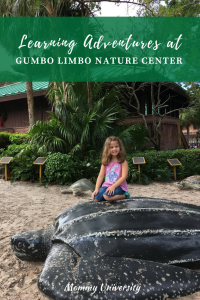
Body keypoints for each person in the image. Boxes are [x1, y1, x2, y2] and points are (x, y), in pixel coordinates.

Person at [92, 136, 130, 202]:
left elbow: (124, 176)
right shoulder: (105, 161)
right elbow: (100, 176)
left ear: (120, 147)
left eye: (116, 146)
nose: (114, 149)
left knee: (107, 197)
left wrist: (113, 186)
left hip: (119, 186)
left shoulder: (123, 161)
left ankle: (125, 195)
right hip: (107, 185)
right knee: (96, 198)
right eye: (111, 147)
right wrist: (96, 189)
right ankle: (106, 195)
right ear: (107, 149)